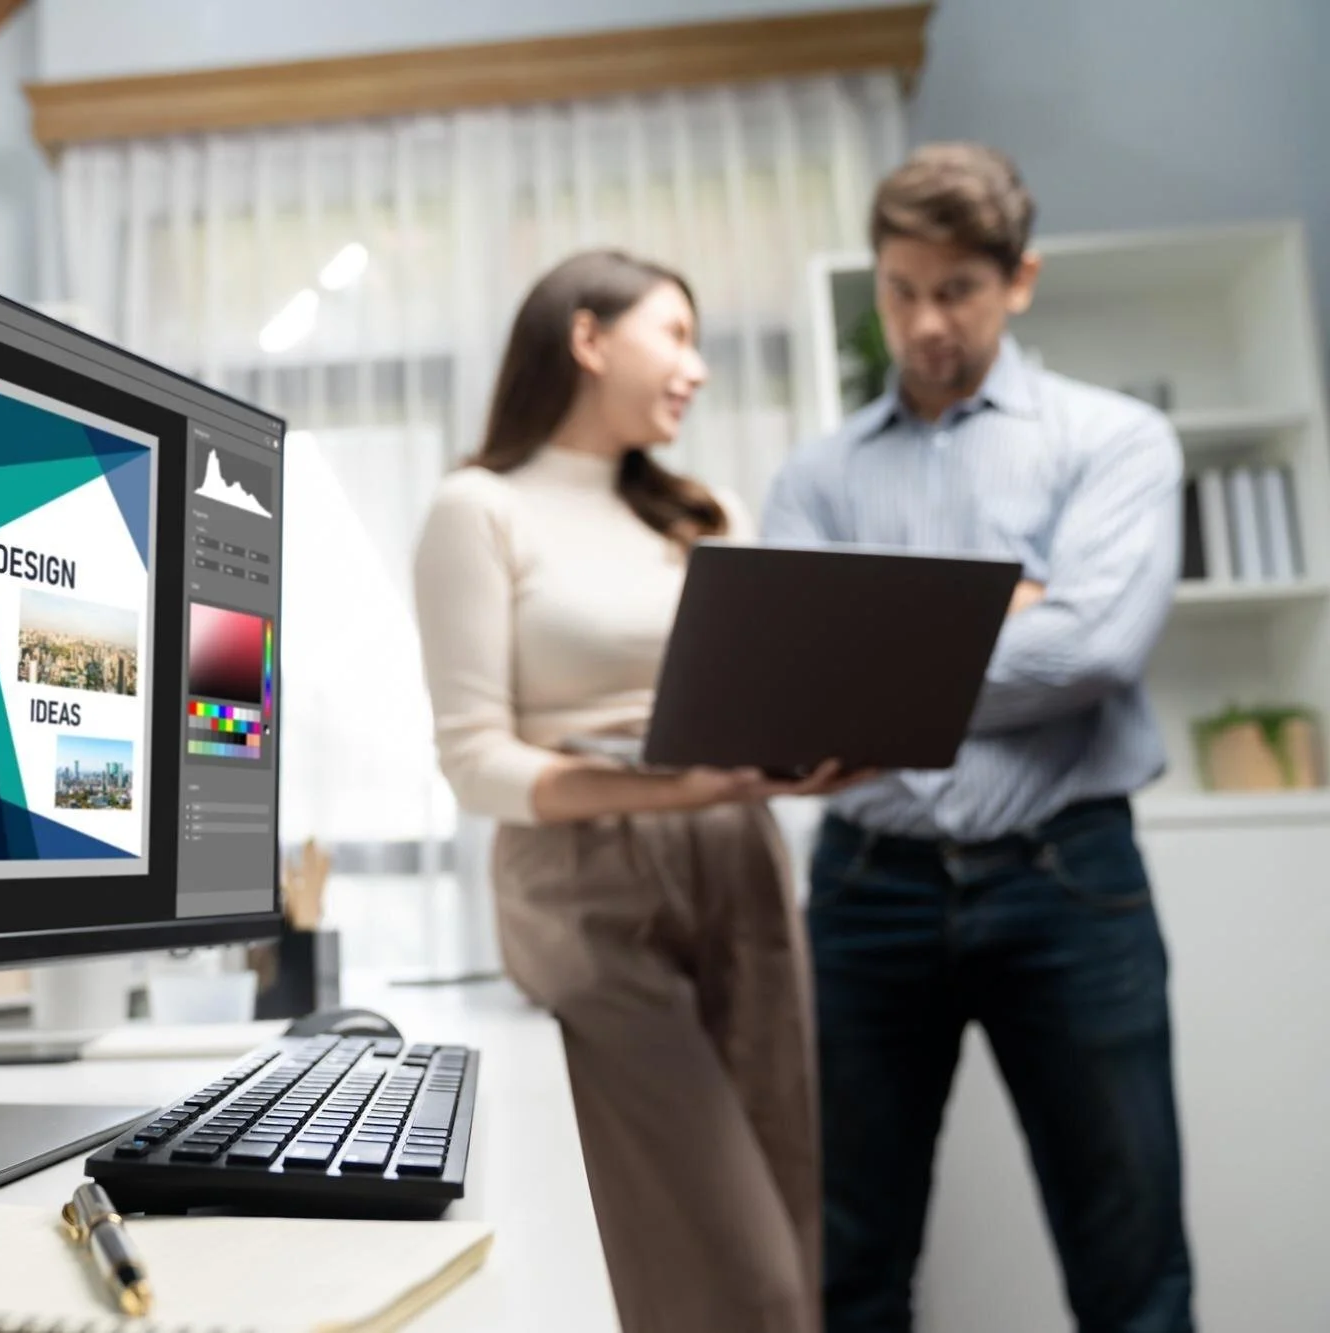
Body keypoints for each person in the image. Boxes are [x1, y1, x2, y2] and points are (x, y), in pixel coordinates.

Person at [762, 143, 1194, 1333]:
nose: (921, 323)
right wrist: (1006, 603)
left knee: (1130, 1260)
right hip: (865, 890)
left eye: (953, 290)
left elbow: (1090, 648)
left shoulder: (1113, 440)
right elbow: (796, 684)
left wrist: (878, 652)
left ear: (1018, 280)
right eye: (898, 289)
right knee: (850, 1260)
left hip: (1068, 882)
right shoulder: (814, 476)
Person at [413, 249, 862, 1333]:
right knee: (732, 1259)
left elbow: (758, 703)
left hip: (740, 859)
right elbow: (475, 762)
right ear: (588, 338)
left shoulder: (705, 512)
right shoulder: (477, 509)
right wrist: (673, 792)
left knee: (784, 1194)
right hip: (584, 885)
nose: (695, 368)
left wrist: (827, 742)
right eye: (675, 334)